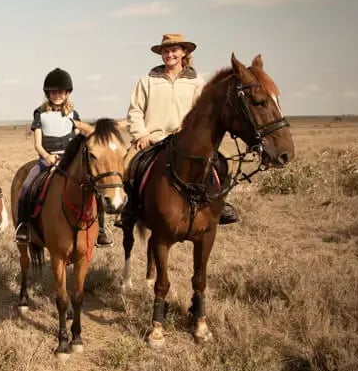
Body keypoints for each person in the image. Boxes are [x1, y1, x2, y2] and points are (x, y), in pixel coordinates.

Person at [121, 32, 238, 225]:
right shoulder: (147, 80)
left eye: (174, 50)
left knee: (225, 160)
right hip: (153, 139)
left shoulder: (196, 82)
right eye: (165, 51)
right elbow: (135, 110)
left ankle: (220, 204)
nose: (169, 54)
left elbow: (202, 115)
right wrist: (141, 134)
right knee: (127, 164)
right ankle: (131, 208)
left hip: (184, 141)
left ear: (184, 52)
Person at [14, 68, 110, 244]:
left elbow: (78, 138)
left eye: (61, 91)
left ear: (67, 93)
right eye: (53, 92)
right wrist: (47, 157)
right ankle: (24, 226)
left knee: (95, 188)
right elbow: (37, 143)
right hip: (47, 159)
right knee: (27, 185)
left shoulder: (74, 114)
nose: (57, 95)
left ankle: (101, 230)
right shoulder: (40, 114)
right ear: (48, 93)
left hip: (69, 160)